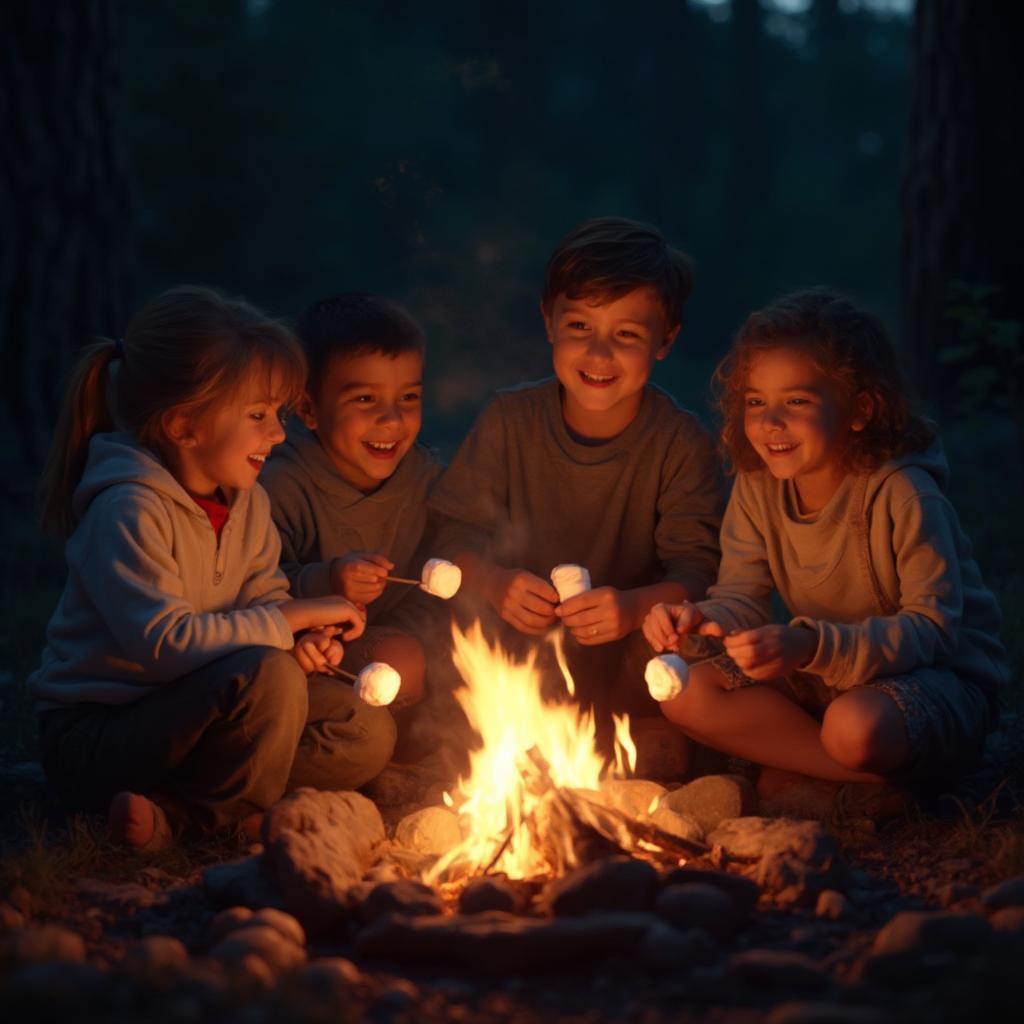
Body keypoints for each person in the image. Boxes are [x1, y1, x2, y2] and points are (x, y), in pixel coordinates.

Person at [30, 286, 396, 851]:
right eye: (257, 415)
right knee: (270, 677)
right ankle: (211, 819)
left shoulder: (246, 501)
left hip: (205, 712)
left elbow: (262, 603)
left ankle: (180, 807)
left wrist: (298, 641)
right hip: (102, 734)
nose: (277, 433)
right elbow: (165, 643)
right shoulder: (128, 508)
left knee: (364, 730)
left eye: (277, 414)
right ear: (183, 426)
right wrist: (291, 619)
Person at [643, 289, 1009, 806]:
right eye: (755, 402)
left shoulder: (904, 494)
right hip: (826, 675)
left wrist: (811, 647)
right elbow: (743, 598)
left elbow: (933, 631)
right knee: (685, 693)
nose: (770, 423)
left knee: (853, 728)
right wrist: (698, 619)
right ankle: (867, 783)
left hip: (935, 681)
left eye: (796, 402)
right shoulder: (758, 484)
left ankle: (839, 768)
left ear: (859, 409)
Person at [428, 217, 723, 770]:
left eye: (627, 335)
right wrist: (493, 583)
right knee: (449, 617)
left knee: (683, 642)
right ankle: (521, 743)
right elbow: (450, 533)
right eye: (580, 327)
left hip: (627, 661)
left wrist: (634, 608)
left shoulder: (680, 443)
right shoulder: (509, 421)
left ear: (667, 339)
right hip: (516, 655)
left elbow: (699, 571)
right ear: (549, 322)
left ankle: (623, 738)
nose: (599, 353)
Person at [261, 293, 443, 730]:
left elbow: (444, 569)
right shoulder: (282, 485)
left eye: (409, 398)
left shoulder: (426, 480)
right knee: (401, 661)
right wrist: (328, 581)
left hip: (391, 637)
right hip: (304, 649)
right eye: (365, 400)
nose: (392, 420)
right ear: (308, 408)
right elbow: (248, 589)